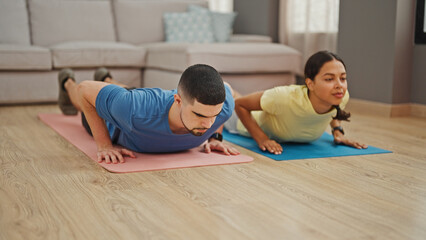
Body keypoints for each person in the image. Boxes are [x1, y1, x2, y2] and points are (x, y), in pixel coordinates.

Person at [58, 64, 240, 164]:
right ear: (178, 101)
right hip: (116, 121)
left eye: (213, 116)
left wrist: (216, 137)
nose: (208, 124)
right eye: (200, 115)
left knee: (124, 93)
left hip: (138, 100)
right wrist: (104, 145)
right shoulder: (133, 108)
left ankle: (106, 79)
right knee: (84, 98)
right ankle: (66, 82)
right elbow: (85, 90)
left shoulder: (223, 107)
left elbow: (227, 89)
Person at [226, 50, 367, 155]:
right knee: (230, 101)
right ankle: (227, 90)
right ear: (310, 84)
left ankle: (232, 91)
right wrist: (262, 139)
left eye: (343, 78)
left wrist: (337, 132)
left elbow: (334, 110)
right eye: (329, 79)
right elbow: (240, 105)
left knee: (239, 97)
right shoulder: (284, 97)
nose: (339, 85)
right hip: (239, 123)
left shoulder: (340, 96)